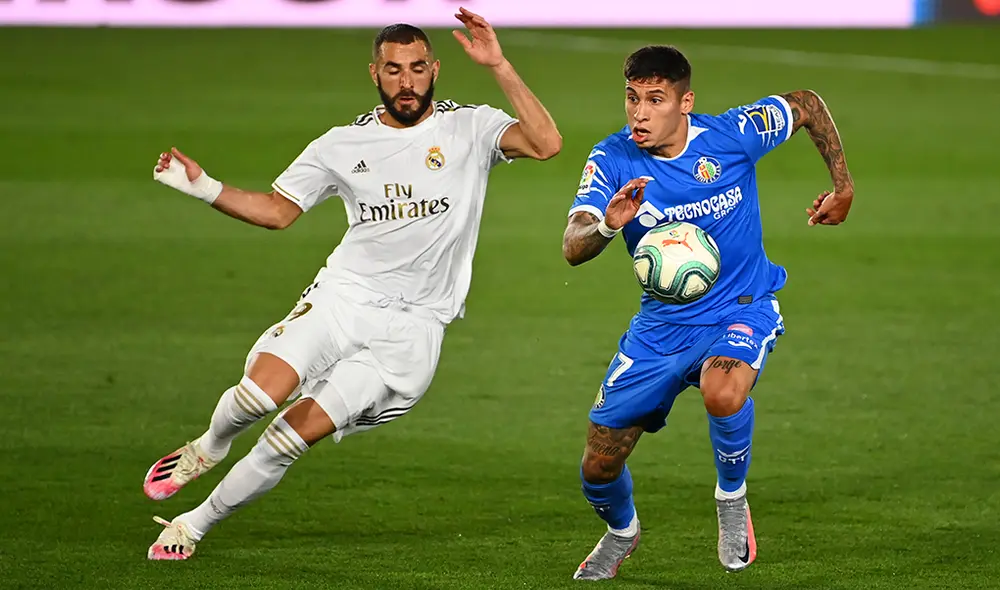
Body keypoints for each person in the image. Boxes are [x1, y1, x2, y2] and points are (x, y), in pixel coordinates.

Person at [142, 9, 561, 560]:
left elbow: (547, 142)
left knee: (287, 438)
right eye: (393, 70)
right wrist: (203, 186)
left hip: (412, 331)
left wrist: (500, 65)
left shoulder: (472, 127)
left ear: (435, 69)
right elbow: (276, 211)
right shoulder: (340, 145)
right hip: (344, 296)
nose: (406, 82)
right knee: (256, 395)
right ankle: (210, 445)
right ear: (374, 74)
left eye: (416, 68)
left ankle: (193, 524)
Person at [562, 44, 854, 579]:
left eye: (655, 99)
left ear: (685, 102)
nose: (640, 113)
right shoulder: (612, 159)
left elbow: (806, 103)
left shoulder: (732, 135)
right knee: (599, 466)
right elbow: (572, 245)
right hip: (661, 328)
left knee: (723, 390)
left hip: (740, 307)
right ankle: (622, 532)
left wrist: (843, 186)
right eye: (632, 99)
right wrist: (607, 223)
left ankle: (731, 500)